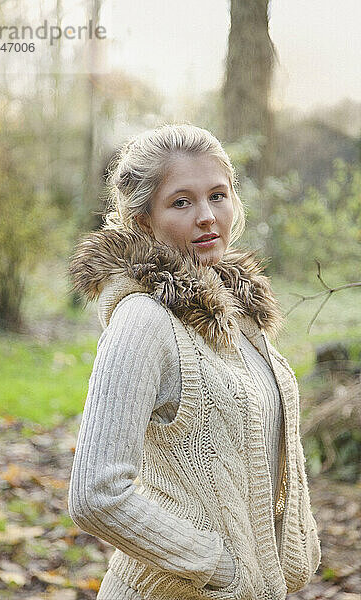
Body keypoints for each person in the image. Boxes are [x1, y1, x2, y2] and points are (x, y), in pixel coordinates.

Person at [67, 123, 321, 600]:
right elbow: (95, 495)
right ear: (144, 221)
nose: (207, 216)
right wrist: (216, 565)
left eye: (218, 195)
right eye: (181, 202)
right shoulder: (144, 320)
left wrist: (289, 548)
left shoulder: (238, 312)